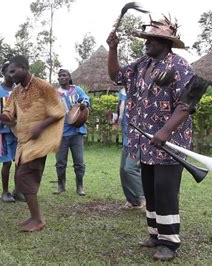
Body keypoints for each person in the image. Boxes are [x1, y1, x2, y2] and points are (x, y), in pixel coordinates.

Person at [107, 16, 195, 261]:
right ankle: (155, 233)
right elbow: (116, 77)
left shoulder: (180, 65)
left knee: (165, 191)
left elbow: (188, 103)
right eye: (146, 39)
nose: (146, 43)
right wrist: (112, 49)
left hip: (169, 144)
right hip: (146, 143)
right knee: (151, 190)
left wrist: (165, 131)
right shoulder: (142, 64)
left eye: (151, 40)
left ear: (165, 42)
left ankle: (170, 242)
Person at [0, 55, 65, 232]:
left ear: (24, 68)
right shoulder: (16, 92)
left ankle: (38, 219)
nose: (10, 75)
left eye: (13, 71)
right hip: (24, 140)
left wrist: (41, 125)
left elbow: (59, 110)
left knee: (24, 176)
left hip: (40, 140)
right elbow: (9, 113)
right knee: (23, 176)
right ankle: (34, 217)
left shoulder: (43, 86)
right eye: (8, 72)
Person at [0, 62, 23, 202]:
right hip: (2, 132)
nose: (12, 74)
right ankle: (5, 192)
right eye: (9, 71)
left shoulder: (20, 90)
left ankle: (18, 191)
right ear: (3, 73)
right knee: (7, 162)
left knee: (19, 162)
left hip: (18, 132)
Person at [53, 69, 90, 196]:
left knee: (79, 162)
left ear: (69, 78)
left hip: (76, 132)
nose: (62, 77)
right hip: (60, 133)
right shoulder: (55, 93)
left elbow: (85, 98)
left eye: (64, 75)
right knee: (60, 162)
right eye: (60, 76)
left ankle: (80, 186)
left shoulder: (76, 90)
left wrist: (84, 104)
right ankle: (60, 185)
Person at [116, 88, 145, 210]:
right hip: (127, 140)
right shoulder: (122, 93)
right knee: (123, 171)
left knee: (130, 168)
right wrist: (113, 117)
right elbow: (121, 118)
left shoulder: (141, 91)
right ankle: (133, 201)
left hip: (138, 139)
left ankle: (145, 200)